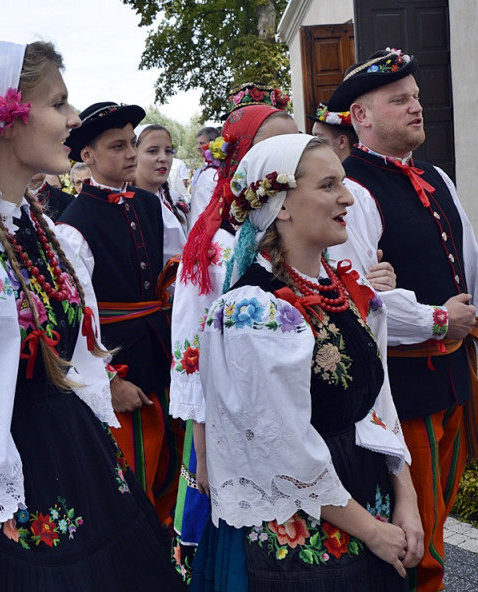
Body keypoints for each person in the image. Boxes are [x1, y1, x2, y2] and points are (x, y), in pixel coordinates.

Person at [0, 40, 184, 590]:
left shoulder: (32, 229)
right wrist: (3, 551)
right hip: (13, 509)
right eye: (59, 103)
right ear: (4, 120)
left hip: (70, 463)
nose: (72, 119)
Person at [325, 48, 478, 592]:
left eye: (415, 96)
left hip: (453, 377)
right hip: (403, 387)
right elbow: (356, 294)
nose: (417, 107)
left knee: (439, 511)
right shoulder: (352, 189)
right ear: (361, 117)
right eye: (399, 100)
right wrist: (437, 320)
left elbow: (471, 263)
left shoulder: (435, 175)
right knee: (415, 526)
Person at [193, 134, 422, 590]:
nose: (346, 197)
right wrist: (372, 531)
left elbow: (379, 402)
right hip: (301, 530)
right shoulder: (253, 312)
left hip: (365, 498)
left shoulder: (344, 291)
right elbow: (280, 445)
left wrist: (407, 496)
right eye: (328, 185)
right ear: (281, 205)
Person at [169, 84, 304, 578]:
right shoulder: (214, 250)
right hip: (232, 433)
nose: (290, 162)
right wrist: (204, 455)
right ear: (243, 164)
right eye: (274, 151)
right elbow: (191, 358)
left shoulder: (296, 233)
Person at [58, 101, 185, 530]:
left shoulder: (151, 206)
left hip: (162, 357)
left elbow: (176, 280)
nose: (131, 153)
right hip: (122, 369)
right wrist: (109, 381)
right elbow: (72, 319)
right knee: (132, 476)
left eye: (132, 143)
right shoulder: (73, 225)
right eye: (117, 146)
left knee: (172, 468)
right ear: (87, 156)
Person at [134, 123, 188, 238]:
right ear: (133, 155)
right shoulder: (125, 204)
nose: (163, 158)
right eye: (153, 151)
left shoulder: (176, 200)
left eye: (168, 151)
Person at [188, 126, 221, 222]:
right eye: (198, 143)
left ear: (213, 144)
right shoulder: (200, 170)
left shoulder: (220, 170)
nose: (198, 147)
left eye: (202, 143)